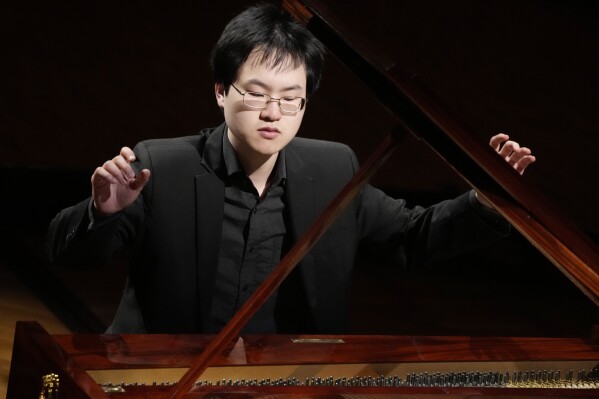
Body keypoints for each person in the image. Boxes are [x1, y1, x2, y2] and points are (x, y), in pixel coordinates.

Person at [46, 3, 536, 334]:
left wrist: (486, 201)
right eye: (256, 94)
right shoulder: (162, 165)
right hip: (166, 378)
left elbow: (411, 236)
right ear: (221, 91)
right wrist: (101, 213)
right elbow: (69, 256)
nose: (273, 113)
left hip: (284, 380)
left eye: (290, 99)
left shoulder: (331, 169)